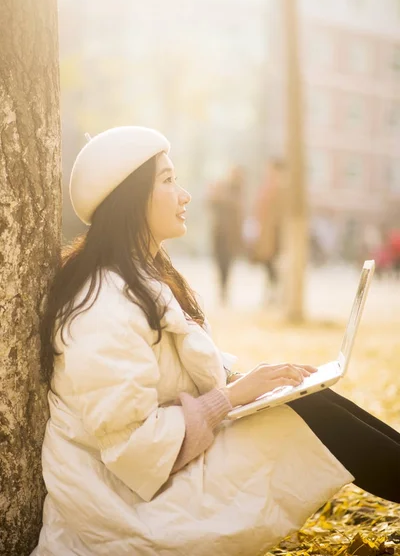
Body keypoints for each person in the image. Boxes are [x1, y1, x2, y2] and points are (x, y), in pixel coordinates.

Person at [32, 127, 400, 556]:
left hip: (163, 471)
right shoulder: (102, 305)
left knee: (311, 399)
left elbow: (180, 371)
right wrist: (231, 396)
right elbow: (131, 449)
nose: (185, 195)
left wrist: (256, 383)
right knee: (307, 418)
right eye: (168, 181)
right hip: (125, 506)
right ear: (130, 198)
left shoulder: (142, 275)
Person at [249, 158, 286, 304]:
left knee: (273, 264)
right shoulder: (268, 186)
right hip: (266, 232)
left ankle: (275, 294)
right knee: (268, 264)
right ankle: (272, 293)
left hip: (275, 233)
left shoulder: (281, 187)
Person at [207, 166, 245, 303]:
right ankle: (222, 290)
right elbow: (211, 203)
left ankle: (224, 290)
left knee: (227, 264)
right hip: (219, 234)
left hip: (230, 236)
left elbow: (239, 214)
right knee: (220, 263)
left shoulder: (238, 192)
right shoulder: (223, 189)